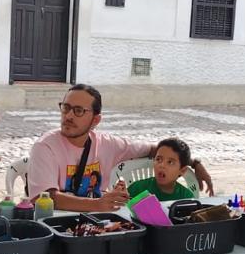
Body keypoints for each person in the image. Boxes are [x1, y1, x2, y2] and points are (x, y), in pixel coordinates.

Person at [28, 84, 214, 212]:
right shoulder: (45, 147)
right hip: (57, 225)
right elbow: (44, 198)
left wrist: (194, 163)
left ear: (95, 120)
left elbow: (156, 150)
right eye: (66, 108)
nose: (68, 116)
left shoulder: (108, 144)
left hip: (99, 223)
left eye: (78, 111)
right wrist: (97, 205)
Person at [127, 137, 197, 202]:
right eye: (158, 159)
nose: (162, 165)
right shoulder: (137, 189)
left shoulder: (186, 197)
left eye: (170, 162)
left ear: (182, 170)